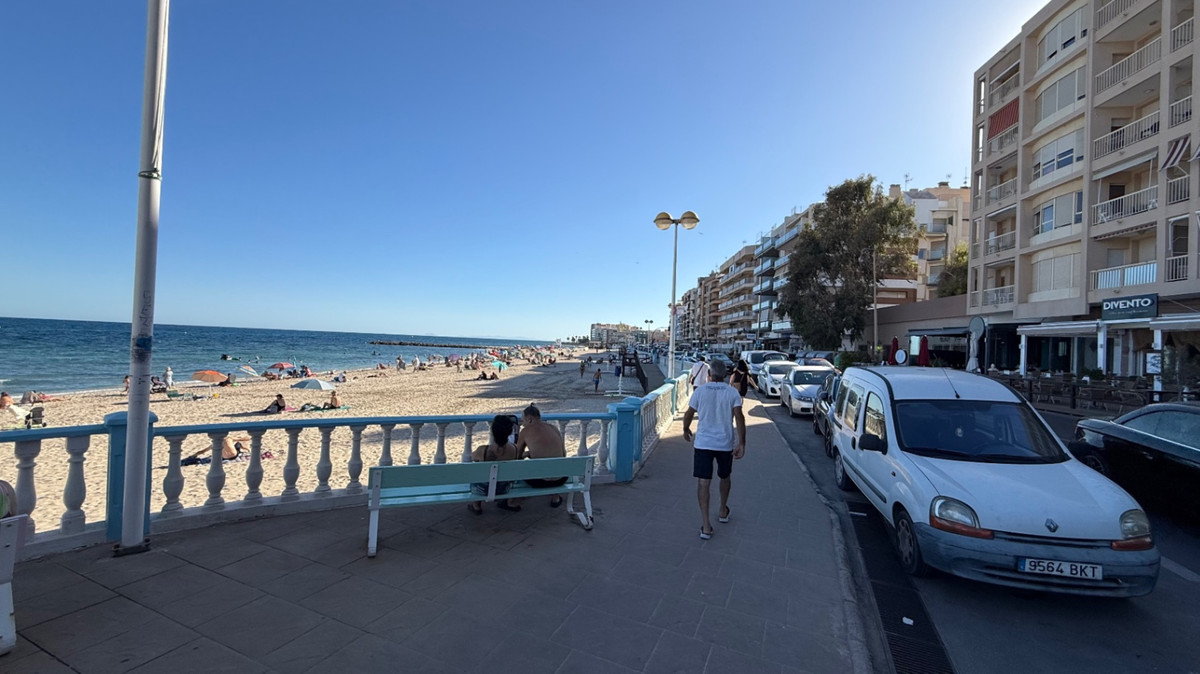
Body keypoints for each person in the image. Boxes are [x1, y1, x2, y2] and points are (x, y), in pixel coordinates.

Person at [681, 359, 745, 540]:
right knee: (725, 476)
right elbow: (739, 417)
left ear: (709, 375)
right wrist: (742, 443)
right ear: (724, 375)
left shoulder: (700, 391)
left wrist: (685, 429)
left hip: (703, 443)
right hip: (724, 443)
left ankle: (706, 525)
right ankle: (723, 510)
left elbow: (689, 413)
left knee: (703, 482)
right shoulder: (732, 392)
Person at [467, 415, 522, 513]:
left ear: (492, 432)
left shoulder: (482, 450)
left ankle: (476, 505)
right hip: (504, 489)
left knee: (479, 473)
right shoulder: (515, 449)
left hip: (481, 489)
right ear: (509, 432)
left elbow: (472, 457)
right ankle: (504, 502)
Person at [515, 404, 567, 507]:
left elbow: (516, 456)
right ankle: (555, 497)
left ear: (529, 419)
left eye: (523, 421)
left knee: (519, 467)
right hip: (561, 479)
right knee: (552, 467)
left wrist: (526, 454)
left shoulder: (525, 431)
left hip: (540, 482)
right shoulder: (553, 428)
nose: (523, 424)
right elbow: (563, 454)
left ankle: (515, 499)